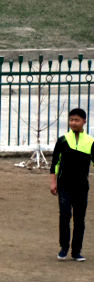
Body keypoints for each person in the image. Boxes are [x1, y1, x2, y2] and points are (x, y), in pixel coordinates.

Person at [50, 107, 90, 262]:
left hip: (81, 187)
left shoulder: (90, 142)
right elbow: (55, 163)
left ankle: (77, 251)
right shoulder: (62, 140)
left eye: (77, 120)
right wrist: (53, 182)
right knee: (65, 216)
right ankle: (64, 248)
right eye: (71, 120)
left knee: (80, 219)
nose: (73, 123)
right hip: (64, 186)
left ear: (84, 122)